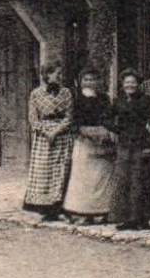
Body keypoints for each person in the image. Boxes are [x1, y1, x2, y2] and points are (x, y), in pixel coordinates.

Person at [22, 62, 76, 221]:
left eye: (60, 74)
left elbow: (69, 116)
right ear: (46, 75)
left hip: (62, 135)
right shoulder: (35, 94)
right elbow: (33, 118)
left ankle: (60, 206)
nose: (60, 77)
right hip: (43, 139)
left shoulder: (66, 93)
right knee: (44, 171)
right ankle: (45, 208)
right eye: (56, 74)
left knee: (61, 170)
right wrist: (45, 131)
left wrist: (57, 131)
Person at [61, 68, 116, 224]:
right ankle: (81, 212)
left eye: (93, 79)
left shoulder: (104, 98)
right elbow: (72, 121)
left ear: (98, 81)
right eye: (86, 79)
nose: (90, 83)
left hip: (102, 141)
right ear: (81, 81)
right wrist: (84, 131)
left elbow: (109, 117)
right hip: (84, 141)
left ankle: (101, 211)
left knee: (102, 177)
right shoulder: (76, 99)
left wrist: (105, 131)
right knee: (83, 178)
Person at [108, 68, 150, 230]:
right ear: (122, 85)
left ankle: (140, 219)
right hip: (124, 144)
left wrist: (149, 145)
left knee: (139, 181)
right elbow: (106, 118)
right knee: (124, 180)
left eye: (133, 82)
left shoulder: (146, 100)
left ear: (138, 84)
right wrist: (116, 130)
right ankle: (125, 219)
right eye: (127, 82)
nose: (130, 85)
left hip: (140, 143)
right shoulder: (118, 101)